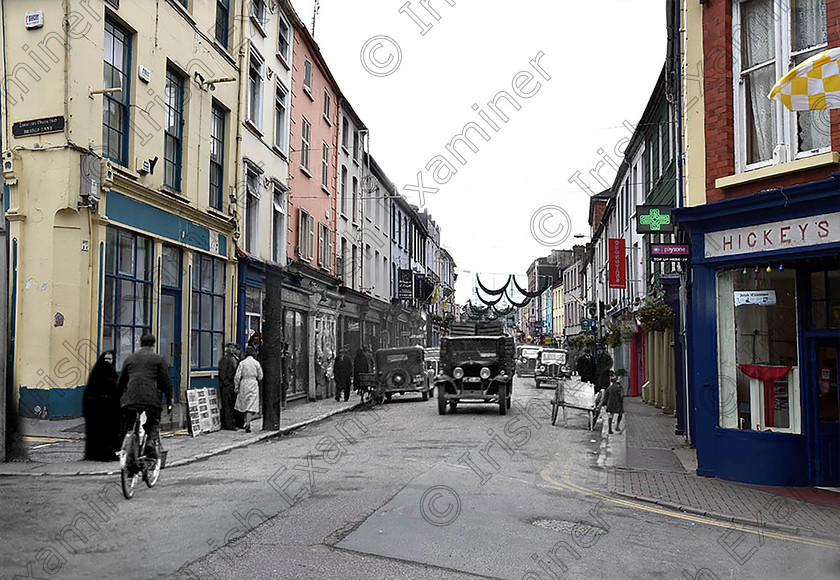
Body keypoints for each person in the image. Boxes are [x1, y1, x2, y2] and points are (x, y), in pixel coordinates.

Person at [117, 334, 173, 459]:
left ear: (140, 344)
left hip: (130, 399)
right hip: (150, 399)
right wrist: (169, 401)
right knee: (153, 422)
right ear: (153, 344)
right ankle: (150, 442)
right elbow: (166, 382)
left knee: (130, 426)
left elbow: (121, 382)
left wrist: (119, 399)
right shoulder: (158, 359)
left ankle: (129, 449)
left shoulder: (130, 359)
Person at [82, 351, 121, 461]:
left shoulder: (107, 372)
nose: (108, 362)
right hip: (99, 409)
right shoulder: (100, 373)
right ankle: (104, 455)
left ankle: (102, 454)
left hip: (106, 409)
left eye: (110, 359)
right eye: (106, 359)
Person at [235, 346, 263, 433]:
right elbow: (260, 376)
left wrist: (236, 386)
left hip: (244, 383)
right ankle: (248, 422)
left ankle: (245, 421)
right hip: (253, 383)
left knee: (244, 403)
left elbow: (237, 376)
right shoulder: (256, 363)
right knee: (252, 404)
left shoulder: (242, 363)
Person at [218, 343, 240, 430]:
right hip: (227, 385)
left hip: (232, 384)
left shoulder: (234, 358)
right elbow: (223, 373)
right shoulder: (225, 359)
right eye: (230, 347)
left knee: (231, 405)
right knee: (227, 405)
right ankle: (228, 424)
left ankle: (230, 422)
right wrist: (226, 382)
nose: (232, 349)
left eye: (233, 348)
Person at [602, 370, 624, 434]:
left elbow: (606, 395)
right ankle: (617, 426)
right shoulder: (619, 387)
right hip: (617, 404)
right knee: (620, 414)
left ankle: (610, 428)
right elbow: (621, 396)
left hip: (610, 404)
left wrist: (605, 403)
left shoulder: (610, 387)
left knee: (611, 415)